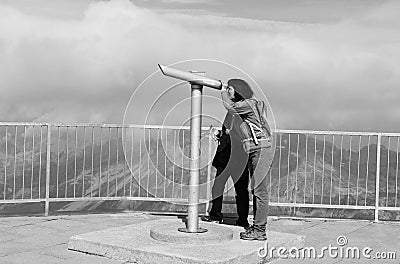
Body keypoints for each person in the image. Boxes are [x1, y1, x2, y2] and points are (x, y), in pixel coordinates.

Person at [220, 78, 274, 241]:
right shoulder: (248, 105)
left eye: (231, 88)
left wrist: (221, 89)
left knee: (259, 191)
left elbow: (229, 105)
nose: (229, 91)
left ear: (238, 90)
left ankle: (259, 230)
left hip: (261, 150)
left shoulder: (247, 104)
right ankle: (258, 226)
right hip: (256, 149)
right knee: (256, 190)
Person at [201, 113, 250, 228]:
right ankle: (221, 216)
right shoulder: (232, 114)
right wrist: (221, 134)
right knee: (221, 188)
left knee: (239, 190)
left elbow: (238, 136)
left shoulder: (242, 115)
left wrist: (223, 134)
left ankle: (240, 219)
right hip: (228, 158)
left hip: (235, 159)